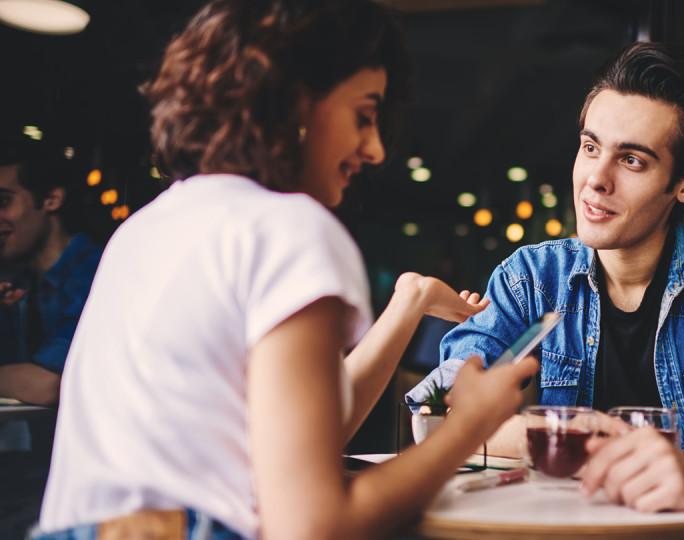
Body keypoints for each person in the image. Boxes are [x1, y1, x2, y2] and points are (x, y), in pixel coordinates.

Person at [34, 1, 538, 539]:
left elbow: (303, 438)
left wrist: (409, 304)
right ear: (294, 102)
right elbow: (313, 526)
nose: (375, 149)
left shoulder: (149, 227)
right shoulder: (291, 227)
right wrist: (467, 428)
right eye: (363, 116)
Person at [408, 42, 684, 538]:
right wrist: (575, 440)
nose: (595, 180)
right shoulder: (532, 278)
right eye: (590, 147)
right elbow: (439, 410)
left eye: (631, 160)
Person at [0, 134, 101, 406]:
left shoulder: (93, 275)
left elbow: (48, 385)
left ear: (51, 199)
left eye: (3, 202)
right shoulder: (18, 282)